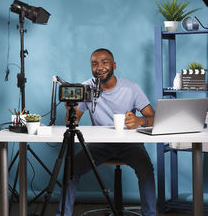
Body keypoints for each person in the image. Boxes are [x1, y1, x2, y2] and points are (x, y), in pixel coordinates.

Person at [57, 48, 156, 216]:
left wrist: (140, 121)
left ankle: (150, 214)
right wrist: (71, 109)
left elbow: (154, 117)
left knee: (146, 168)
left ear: (114, 65)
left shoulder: (131, 88)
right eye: (95, 64)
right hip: (99, 146)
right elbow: (72, 122)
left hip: (129, 144)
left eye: (105, 62)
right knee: (71, 169)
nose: (100, 67)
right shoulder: (86, 87)